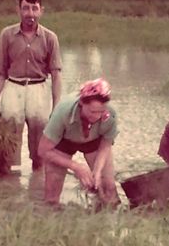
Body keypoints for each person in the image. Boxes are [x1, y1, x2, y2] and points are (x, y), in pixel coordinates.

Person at [0, 0, 63, 171]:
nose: (30, 14)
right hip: (13, 88)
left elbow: (56, 74)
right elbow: (0, 72)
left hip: (39, 89)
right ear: (18, 10)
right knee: (8, 138)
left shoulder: (50, 38)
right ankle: (9, 185)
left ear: (41, 11)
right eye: (25, 8)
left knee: (41, 143)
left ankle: (37, 184)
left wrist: (57, 107)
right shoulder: (7, 35)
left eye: (34, 9)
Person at [38, 78, 119, 208]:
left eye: (101, 111)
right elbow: (43, 150)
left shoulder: (110, 114)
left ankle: (107, 220)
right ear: (82, 103)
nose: (97, 116)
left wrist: (97, 171)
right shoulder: (62, 112)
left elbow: (106, 144)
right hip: (63, 141)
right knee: (51, 198)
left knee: (107, 186)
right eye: (93, 111)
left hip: (93, 140)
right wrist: (76, 166)